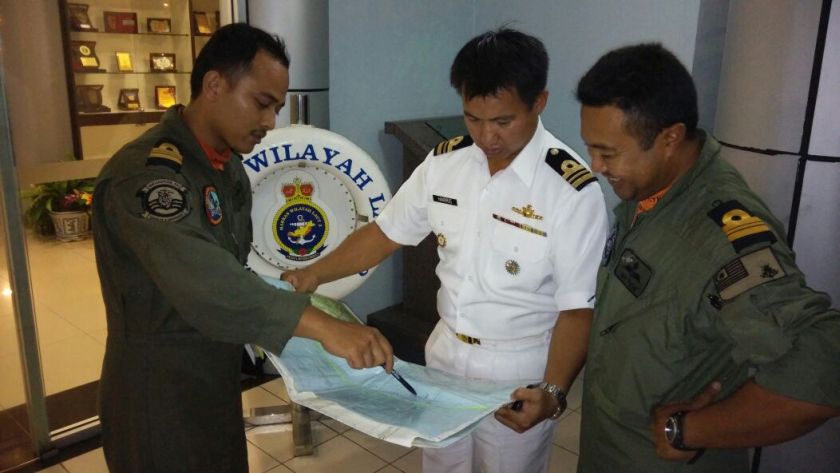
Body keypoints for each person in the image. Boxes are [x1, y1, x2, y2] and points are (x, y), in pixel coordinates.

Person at [282, 28, 608, 473]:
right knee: (442, 465)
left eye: (503, 121)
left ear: (540, 103)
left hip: (518, 368)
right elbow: (384, 234)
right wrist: (314, 275)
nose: (487, 136)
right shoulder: (445, 163)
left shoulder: (570, 190)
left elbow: (577, 310)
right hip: (445, 354)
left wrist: (552, 393)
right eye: (474, 119)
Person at [92, 23, 393, 473]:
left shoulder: (224, 168)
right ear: (214, 85)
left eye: (276, 107)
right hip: (158, 387)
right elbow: (205, 280)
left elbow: (233, 267)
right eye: (262, 103)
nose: (271, 123)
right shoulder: (150, 176)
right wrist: (324, 328)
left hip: (212, 372)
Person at [575, 42, 840, 472]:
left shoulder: (719, 238)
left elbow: (823, 365)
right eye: (592, 148)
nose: (596, 165)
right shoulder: (648, 194)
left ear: (669, 138)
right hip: (608, 448)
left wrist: (691, 430)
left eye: (608, 152)